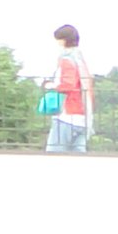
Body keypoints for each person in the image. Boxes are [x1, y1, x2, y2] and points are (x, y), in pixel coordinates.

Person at [39, 26, 88, 154]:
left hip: (66, 116)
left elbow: (68, 84)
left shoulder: (67, 59)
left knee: (54, 155)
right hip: (82, 117)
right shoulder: (81, 61)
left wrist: (52, 86)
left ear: (63, 40)